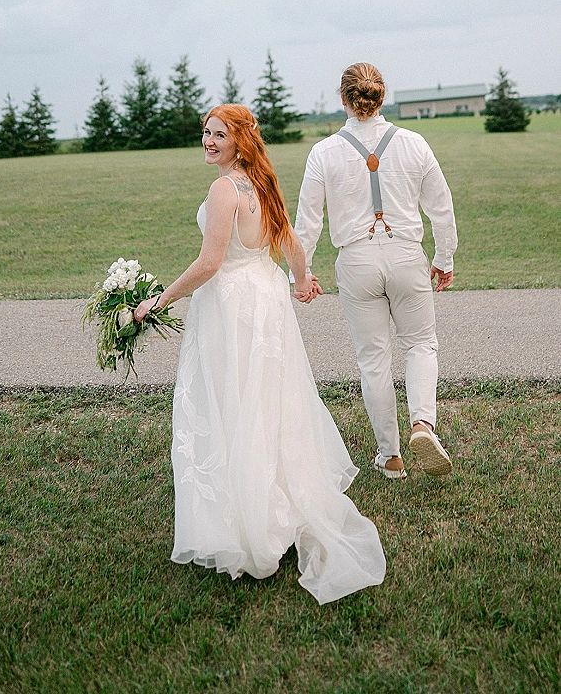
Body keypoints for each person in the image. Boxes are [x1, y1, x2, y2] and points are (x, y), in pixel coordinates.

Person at [134, 104, 386, 605]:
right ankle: (276, 505)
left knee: (234, 404)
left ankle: (249, 521)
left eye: (218, 134)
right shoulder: (261, 181)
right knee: (267, 401)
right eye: (205, 133)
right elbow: (289, 240)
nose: (208, 141)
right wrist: (301, 278)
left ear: (239, 140)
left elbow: (209, 263)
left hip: (231, 306)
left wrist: (156, 302)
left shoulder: (226, 188)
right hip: (265, 299)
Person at [294, 63, 458, 480]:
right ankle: (423, 424)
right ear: (381, 97)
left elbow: (308, 222)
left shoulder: (323, 152)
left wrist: (304, 272)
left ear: (343, 99)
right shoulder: (414, 143)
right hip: (406, 256)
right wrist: (445, 258)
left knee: (373, 360)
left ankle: (390, 455)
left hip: (356, 261)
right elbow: (441, 206)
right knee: (420, 345)